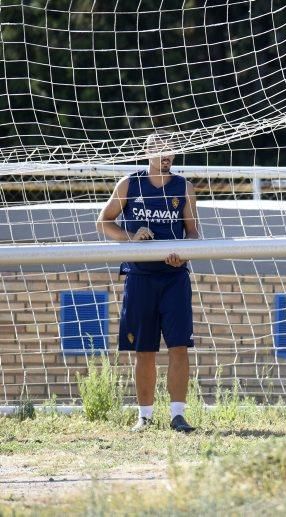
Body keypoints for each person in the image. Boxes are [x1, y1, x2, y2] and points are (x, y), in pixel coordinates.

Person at [96, 131, 198, 433]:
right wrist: (132, 237)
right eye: (161, 151)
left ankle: (178, 414)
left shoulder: (185, 188)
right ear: (147, 152)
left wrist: (184, 254)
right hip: (140, 277)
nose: (166, 157)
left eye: (171, 152)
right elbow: (104, 222)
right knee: (144, 350)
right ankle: (145, 415)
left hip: (174, 278)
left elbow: (193, 233)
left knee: (179, 347)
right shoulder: (129, 183)